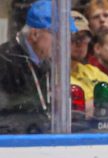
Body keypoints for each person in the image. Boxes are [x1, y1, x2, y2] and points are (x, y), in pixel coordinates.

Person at [0, 0, 78, 133]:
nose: (63, 44)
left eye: (67, 37)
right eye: (58, 36)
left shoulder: (48, 64)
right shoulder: (4, 60)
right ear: (35, 34)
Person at [69, 11, 108, 118]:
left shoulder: (93, 71)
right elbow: (73, 113)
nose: (80, 43)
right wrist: (106, 103)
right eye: (73, 37)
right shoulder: (53, 76)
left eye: (84, 38)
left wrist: (91, 105)